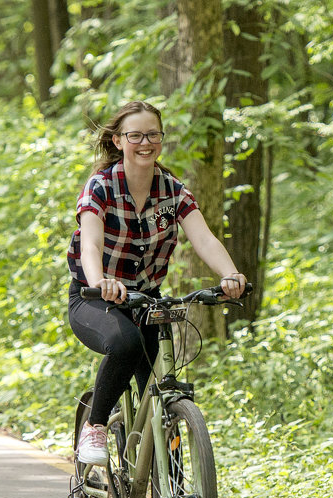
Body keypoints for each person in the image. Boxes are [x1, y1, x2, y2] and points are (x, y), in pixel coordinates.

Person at [66, 100, 246, 471]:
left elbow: (205, 238)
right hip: (94, 298)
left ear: (161, 139)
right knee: (125, 343)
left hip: (145, 301)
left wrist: (230, 275)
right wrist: (101, 283)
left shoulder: (172, 191)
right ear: (118, 141)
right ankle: (95, 426)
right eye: (135, 135)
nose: (145, 142)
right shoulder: (101, 186)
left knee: (164, 395)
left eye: (153, 134)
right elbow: (91, 244)